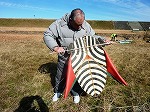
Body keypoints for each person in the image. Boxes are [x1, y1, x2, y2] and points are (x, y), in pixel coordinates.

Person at [43, 8, 108, 103]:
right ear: (70, 20)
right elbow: (47, 35)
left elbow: (93, 36)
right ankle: (58, 91)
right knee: (61, 74)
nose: (79, 27)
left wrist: (102, 40)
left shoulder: (85, 24)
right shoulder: (58, 24)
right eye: (77, 25)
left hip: (79, 56)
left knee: (78, 75)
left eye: (81, 24)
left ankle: (76, 93)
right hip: (64, 56)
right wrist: (56, 47)